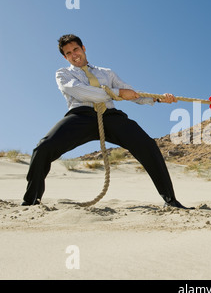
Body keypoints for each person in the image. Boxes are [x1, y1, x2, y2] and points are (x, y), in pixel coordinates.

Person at [22, 34, 191, 209]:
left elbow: (132, 93)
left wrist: (158, 99)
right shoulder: (63, 74)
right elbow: (81, 91)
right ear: (65, 57)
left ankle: (171, 201)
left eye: (76, 49)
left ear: (84, 48)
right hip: (81, 115)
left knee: (148, 145)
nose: (74, 54)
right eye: (69, 53)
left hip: (110, 116)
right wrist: (117, 93)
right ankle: (31, 201)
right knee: (43, 148)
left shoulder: (106, 73)